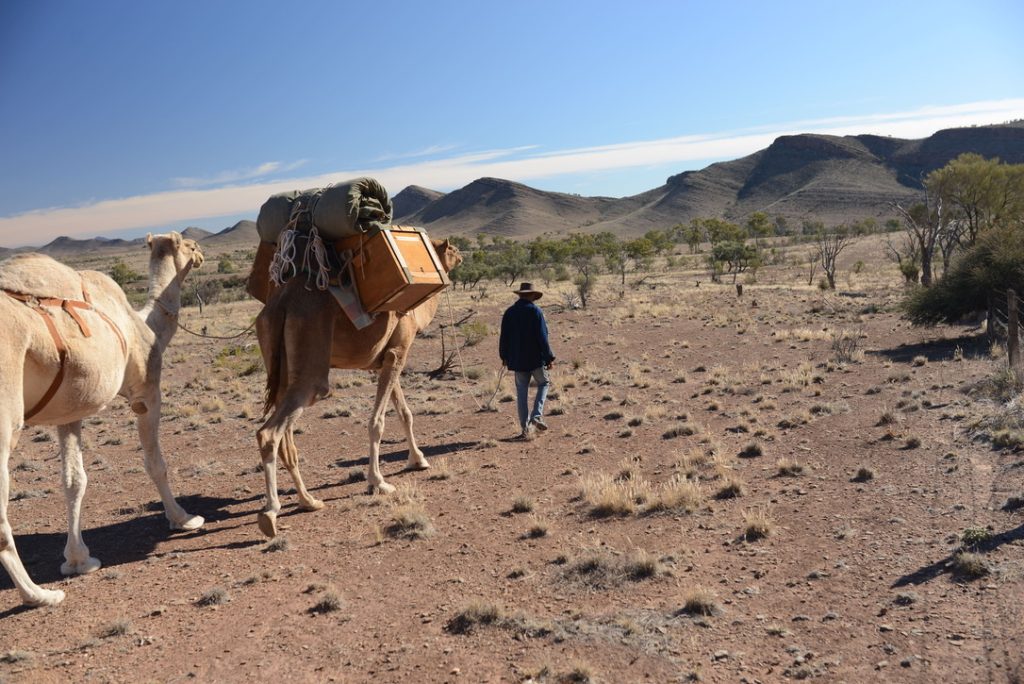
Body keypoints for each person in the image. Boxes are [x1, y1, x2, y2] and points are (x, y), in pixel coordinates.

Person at [499, 282, 556, 439]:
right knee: (544, 383)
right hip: (535, 359)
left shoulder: (509, 312)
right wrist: (549, 357)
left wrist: (504, 357)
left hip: (517, 360)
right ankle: (536, 416)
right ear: (531, 295)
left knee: (521, 393)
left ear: (520, 295)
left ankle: (525, 430)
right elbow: (542, 337)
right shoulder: (536, 312)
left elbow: (504, 337)